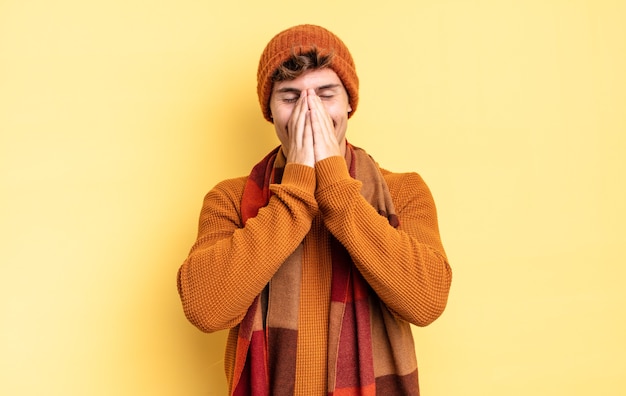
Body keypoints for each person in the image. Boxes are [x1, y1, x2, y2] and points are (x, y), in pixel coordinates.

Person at [177, 24, 452, 396]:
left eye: (325, 94)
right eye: (290, 97)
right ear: (270, 113)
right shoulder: (230, 198)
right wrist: (297, 187)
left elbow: (425, 302)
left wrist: (336, 189)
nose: (311, 111)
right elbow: (206, 309)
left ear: (350, 103)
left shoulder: (403, 191)